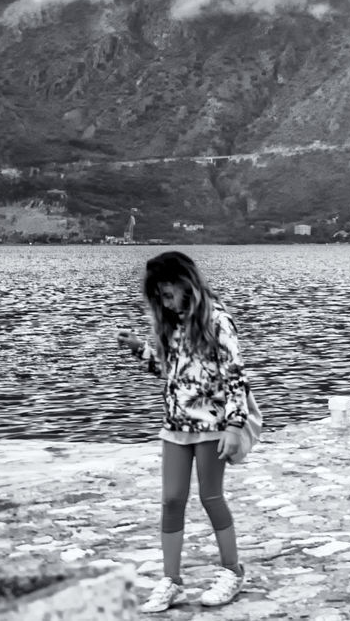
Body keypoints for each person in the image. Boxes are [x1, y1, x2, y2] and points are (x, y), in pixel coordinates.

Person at [117, 251, 250, 613]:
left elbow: (235, 376)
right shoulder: (171, 325)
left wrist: (234, 426)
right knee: (171, 500)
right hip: (174, 427)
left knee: (211, 498)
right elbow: (172, 372)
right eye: (159, 295)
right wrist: (139, 351)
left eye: (168, 292)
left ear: (186, 284)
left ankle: (232, 571)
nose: (165, 300)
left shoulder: (218, 322)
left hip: (212, 426)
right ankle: (171, 580)